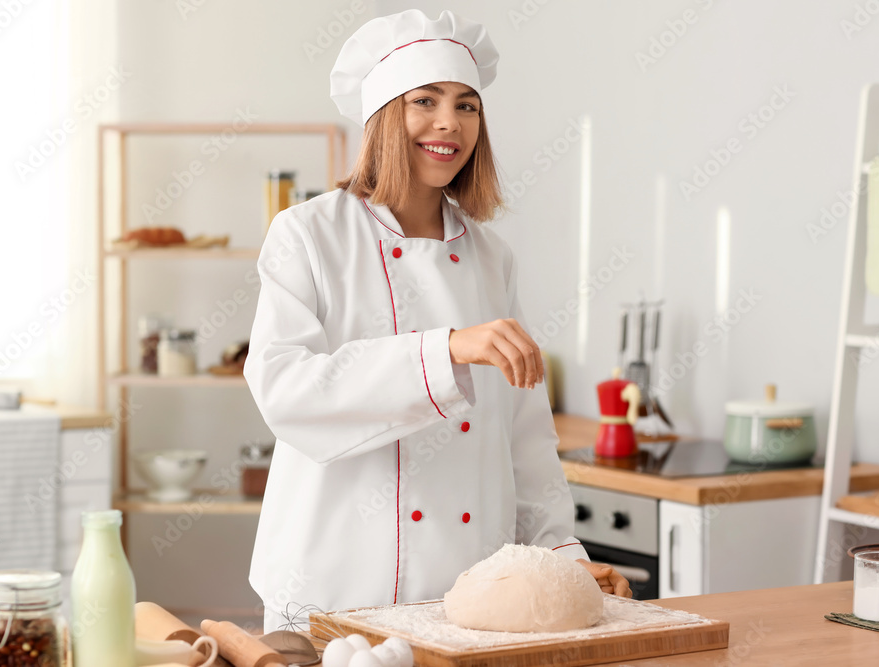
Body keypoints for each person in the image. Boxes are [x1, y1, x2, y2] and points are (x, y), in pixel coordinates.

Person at [244, 9, 630, 632]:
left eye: (467, 104)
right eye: (424, 100)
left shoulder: (490, 256)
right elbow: (285, 390)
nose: (449, 122)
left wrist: (560, 554)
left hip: (467, 594)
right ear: (382, 117)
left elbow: (525, 432)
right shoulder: (308, 234)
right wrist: (444, 350)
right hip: (331, 590)